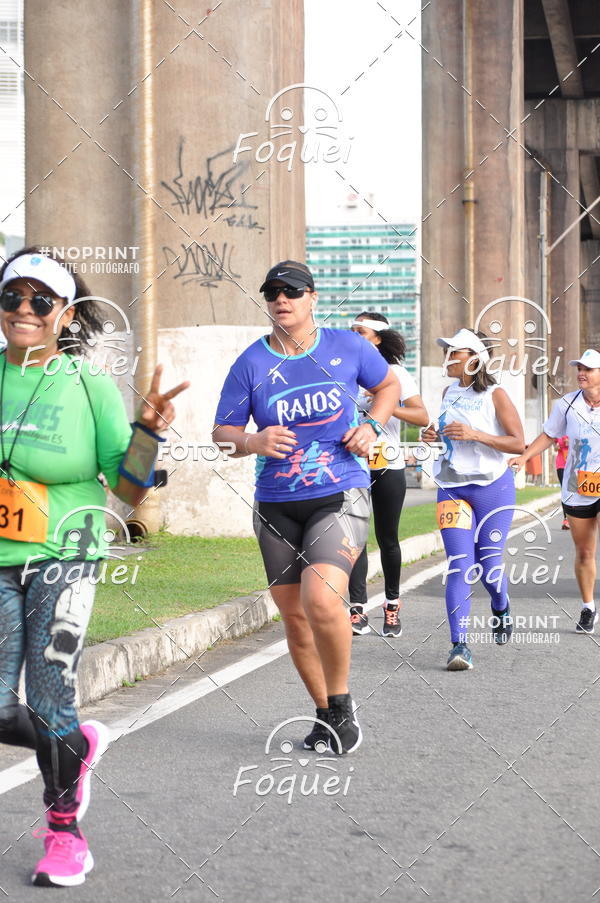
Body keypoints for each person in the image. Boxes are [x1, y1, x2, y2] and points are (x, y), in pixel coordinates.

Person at [0, 247, 188, 886]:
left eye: (40, 300)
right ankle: (75, 747)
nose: (24, 309)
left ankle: (64, 835)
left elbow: (128, 489)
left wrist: (147, 433)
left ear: (66, 313)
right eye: (12, 297)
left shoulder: (88, 385)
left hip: (67, 554)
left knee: (49, 695)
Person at [213, 261, 400, 753]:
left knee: (321, 599)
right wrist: (253, 441)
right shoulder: (251, 363)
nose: (282, 299)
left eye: (293, 291)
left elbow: (388, 387)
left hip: (339, 491)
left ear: (313, 297)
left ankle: (342, 703)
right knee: (295, 617)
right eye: (272, 291)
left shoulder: (348, 347)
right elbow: (222, 434)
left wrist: (372, 426)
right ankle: (325, 714)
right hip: (276, 503)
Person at [421, 328, 525, 670]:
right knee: (460, 564)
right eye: (447, 351)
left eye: (455, 352)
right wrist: (435, 435)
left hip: (492, 487)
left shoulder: (496, 394)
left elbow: (517, 443)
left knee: (490, 568)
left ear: (475, 359)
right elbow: (451, 438)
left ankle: (501, 605)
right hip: (452, 487)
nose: (448, 358)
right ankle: (459, 646)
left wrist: (476, 434)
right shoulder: (448, 392)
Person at [347, 312, 428, 638]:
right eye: (352, 330)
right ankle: (357, 610)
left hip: (388, 464)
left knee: (387, 538)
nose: (354, 335)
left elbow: (421, 416)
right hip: (353, 465)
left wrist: (386, 401)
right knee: (354, 538)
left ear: (378, 338)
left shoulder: (396, 373)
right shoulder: (346, 370)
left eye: (361, 331)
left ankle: (392, 605)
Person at [509, 349, 600, 634]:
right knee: (585, 551)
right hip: (577, 486)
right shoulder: (567, 404)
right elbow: (549, 435)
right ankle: (588, 607)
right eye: (579, 368)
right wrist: (524, 457)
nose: (581, 373)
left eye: (588, 369)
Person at [555, 435, 570, 529]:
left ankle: (575, 518)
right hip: (561, 465)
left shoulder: (574, 430)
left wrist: (569, 442)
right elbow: (555, 447)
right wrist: (557, 446)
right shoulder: (558, 433)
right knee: (565, 492)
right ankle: (566, 519)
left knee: (573, 491)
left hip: (573, 465)